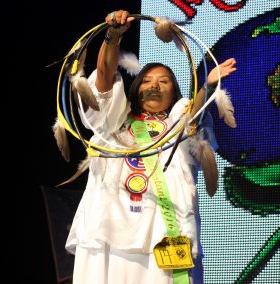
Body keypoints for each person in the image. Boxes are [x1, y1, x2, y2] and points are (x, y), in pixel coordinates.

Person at [64, 9, 237, 283]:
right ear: (135, 89)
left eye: (164, 81)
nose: (154, 85)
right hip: (108, 234)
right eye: (146, 80)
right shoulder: (113, 124)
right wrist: (112, 37)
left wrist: (207, 85)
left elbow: (189, 114)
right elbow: (104, 84)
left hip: (164, 236)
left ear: (174, 92)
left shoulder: (177, 130)